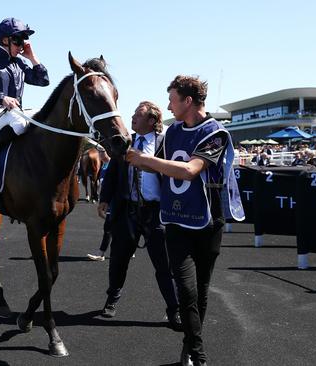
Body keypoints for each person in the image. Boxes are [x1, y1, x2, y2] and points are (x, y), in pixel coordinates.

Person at [127, 76, 244, 366]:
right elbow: (160, 168)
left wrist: (144, 159)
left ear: (188, 101)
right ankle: (199, 355)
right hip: (176, 223)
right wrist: (123, 155)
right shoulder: (173, 131)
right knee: (186, 289)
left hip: (207, 222)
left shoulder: (216, 133)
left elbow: (191, 170)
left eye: (172, 99)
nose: (168, 105)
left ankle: (188, 346)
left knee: (200, 291)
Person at [97, 101, 182, 332]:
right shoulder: (124, 142)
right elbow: (113, 172)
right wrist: (105, 198)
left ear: (152, 121)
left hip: (157, 213)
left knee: (164, 265)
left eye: (138, 115)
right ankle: (112, 298)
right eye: (133, 114)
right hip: (128, 211)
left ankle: (174, 309)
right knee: (118, 260)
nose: (132, 118)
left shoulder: (166, 143)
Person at [0, 17, 50, 169]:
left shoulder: (20, 63)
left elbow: (43, 81)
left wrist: (32, 58)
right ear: (5, 40)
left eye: (23, 41)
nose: (21, 46)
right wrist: (2, 98)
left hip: (16, 113)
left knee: (46, 116)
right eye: (18, 41)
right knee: (20, 123)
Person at [87, 148, 112, 261]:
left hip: (113, 201)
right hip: (106, 200)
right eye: (99, 153)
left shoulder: (113, 164)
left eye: (102, 152)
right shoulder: (103, 165)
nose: (100, 155)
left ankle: (101, 253)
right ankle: (129, 250)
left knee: (108, 228)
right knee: (114, 227)